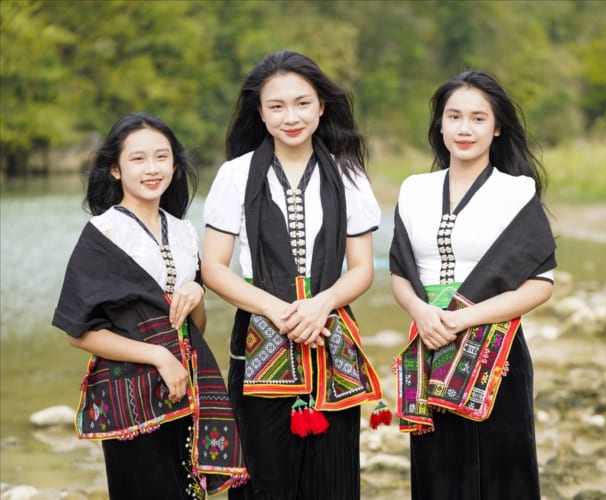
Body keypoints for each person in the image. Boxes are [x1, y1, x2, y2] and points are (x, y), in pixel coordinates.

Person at [201, 51, 384, 499]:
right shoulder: (235, 175)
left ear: (321, 106)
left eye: (302, 103)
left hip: (330, 337)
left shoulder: (349, 174)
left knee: (333, 480)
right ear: (260, 113)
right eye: (277, 106)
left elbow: (361, 270)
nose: (291, 117)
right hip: (259, 338)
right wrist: (280, 311)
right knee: (264, 481)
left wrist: (320, 305)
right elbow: (213, 267)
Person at [52, 112, 247, 499]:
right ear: (115, 170)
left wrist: (196, 295)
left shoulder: (183, 230)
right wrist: (158, 356)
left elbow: (196, 328)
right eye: (138, 159)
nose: (152, 168)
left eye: (162, 157)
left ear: (175, 164)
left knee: (188, 491)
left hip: (185, 382)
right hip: (130, 392)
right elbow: (80, 333)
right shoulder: (102, 233)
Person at [390, 71, 557, 499]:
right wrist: (422, 313)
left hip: (497, 353)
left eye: (478, 118)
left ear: (497, 127)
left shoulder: (516, 191)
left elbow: (539, 284)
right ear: (440, 125)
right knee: (437, 476)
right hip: (429, 344)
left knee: (503, 474)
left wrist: (463, 317)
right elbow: (400, 274)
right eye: (455, 116)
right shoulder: (413, 190)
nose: (465, 128)